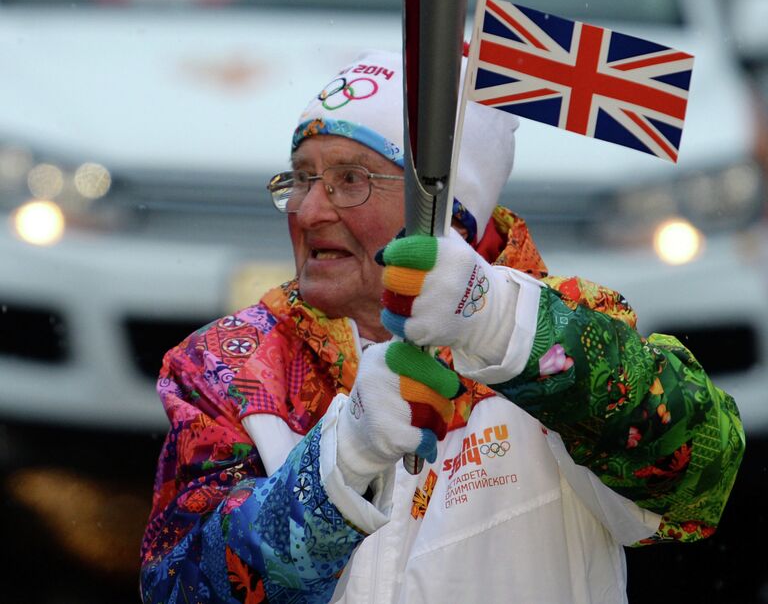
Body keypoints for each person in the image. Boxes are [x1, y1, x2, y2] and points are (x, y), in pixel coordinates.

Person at [140, 49, 744, 604]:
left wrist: (497, 323)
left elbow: (700, 480)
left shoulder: (566, 334)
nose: (310, 209)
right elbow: (179, 590)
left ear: (447, 210)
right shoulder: (233, 367)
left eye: (350, 180)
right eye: (300, 177)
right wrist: (340, 465)